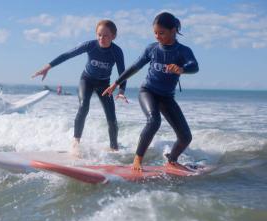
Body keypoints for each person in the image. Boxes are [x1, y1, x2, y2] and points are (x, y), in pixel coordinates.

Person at [103, 12, 199, 171]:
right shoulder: (152, 49)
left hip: (167, 97)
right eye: (155, 33)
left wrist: (182, 69)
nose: (157, 36)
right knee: (154, 121)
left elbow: (194, 66)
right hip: (148, 91)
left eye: (162, 33)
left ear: (173, 30)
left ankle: (172, 160)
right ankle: (137, 160)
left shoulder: (183, 51)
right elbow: (135, 66)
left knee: (185, 137)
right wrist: (116, 83)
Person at [32, 20, 128, 151]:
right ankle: (75, 143)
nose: (102, 38)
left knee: (111, 117)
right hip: (87, 80)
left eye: (106, 36)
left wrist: (121, 91)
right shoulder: (90, 45)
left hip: (104, 84)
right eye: (99, 35)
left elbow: (123, 73)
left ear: (113, 36)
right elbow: (68, 55)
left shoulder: (116, 51)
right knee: (84, 106)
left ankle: (114, 149)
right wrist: (48, 67)